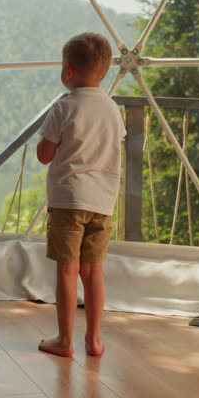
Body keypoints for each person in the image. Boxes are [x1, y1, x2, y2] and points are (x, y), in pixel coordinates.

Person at [36, 32, 126, 357]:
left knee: (67, 270)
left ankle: (64, 340)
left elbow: (44, 155)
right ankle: (94, 339)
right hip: (102, 203)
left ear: (69, 71)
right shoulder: (113, 109)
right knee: (94, 271)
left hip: (68, 201)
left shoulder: (64, 107)